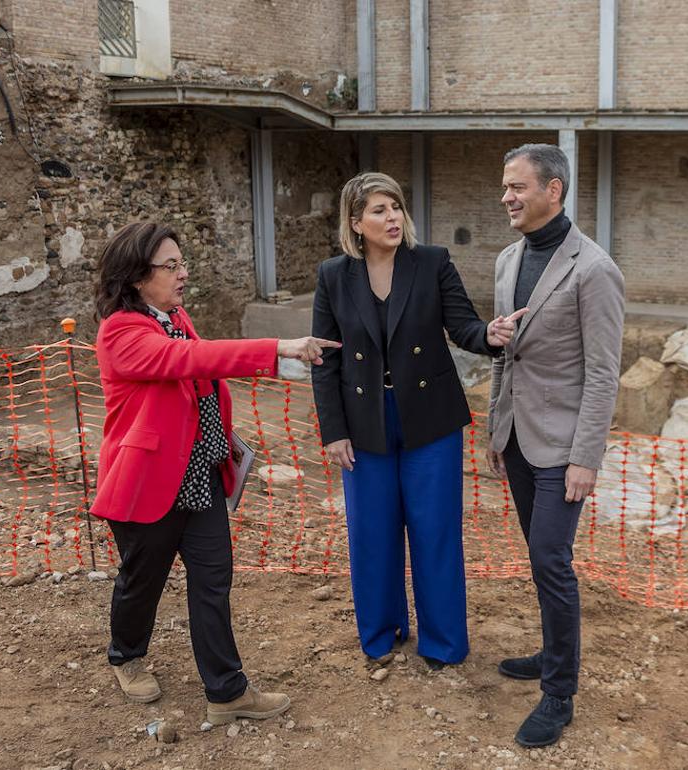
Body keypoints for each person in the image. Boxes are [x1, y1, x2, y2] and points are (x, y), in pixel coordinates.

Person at [91, 221, 339, 724]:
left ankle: (226, 692)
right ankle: (126, 655)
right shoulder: (122, 330)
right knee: (142, 582)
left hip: (199, 475)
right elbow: (187, 360)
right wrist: (277, 348)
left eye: (182, 263)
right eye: (171, 265)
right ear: (138, 276)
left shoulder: (174, 316)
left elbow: (197, 372)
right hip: (148, 482)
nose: (183, 274)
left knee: (213, 584)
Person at [311, 172, 523, 670]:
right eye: (379, 210)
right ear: (355, 222)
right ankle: (381, 635)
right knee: (372, 533)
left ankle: (443, 643)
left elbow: (463, 325)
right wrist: (334, 430)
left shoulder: (431, 263)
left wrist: (489, 334)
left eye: (396, 207)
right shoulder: (333, 275)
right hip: (365, 424)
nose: (392, 218)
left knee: (435, 531)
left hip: (431, 421)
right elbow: (325, 358)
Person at [487, 144, 625, 748]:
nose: (508, 197)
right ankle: (549, 654)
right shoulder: (507, 259)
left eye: (519, 187)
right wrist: (497, 426)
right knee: (539, 556)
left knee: (551, 558)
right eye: (505, 188)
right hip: (517, 437)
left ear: (555, 190)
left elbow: (602, 373)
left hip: (564, 446)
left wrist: (586, 458)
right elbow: (504, 351)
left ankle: (559, 692)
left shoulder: (594, 269)